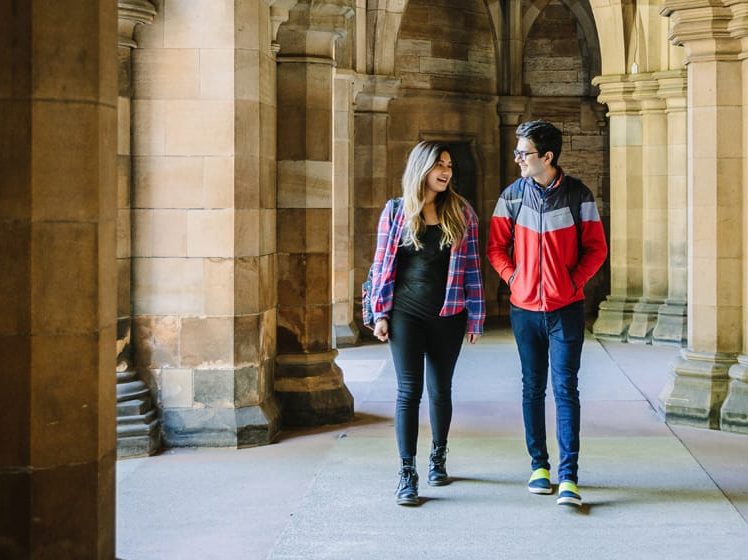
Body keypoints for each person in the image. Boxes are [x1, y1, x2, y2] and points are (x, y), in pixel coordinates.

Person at [487, 120, 607, 507]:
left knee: (565, 388)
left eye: (525, 153)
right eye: (518, 152)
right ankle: (539, 466)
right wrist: (515, 278)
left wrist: (573, 283)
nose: (518, 158)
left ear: (548, 157)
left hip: (566, 310)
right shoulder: (511, 196)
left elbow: (596, 249)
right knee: (532, 386)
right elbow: (495, 248)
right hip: (524, 311)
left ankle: (569, 476)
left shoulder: (578, 195)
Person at [369, 141, 485, 506]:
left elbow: (472, 269)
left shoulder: (462, 212)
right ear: (422, 167)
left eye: (449, 165)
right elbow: (382, 267)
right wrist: (379, 313)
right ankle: (407, 472)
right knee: (408, 392)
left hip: (448, 314)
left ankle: (438, 456)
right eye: (439, 164)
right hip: (406, 314)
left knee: (440, 390)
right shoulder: (395, 212)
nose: (447, 171)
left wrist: (476, 316)